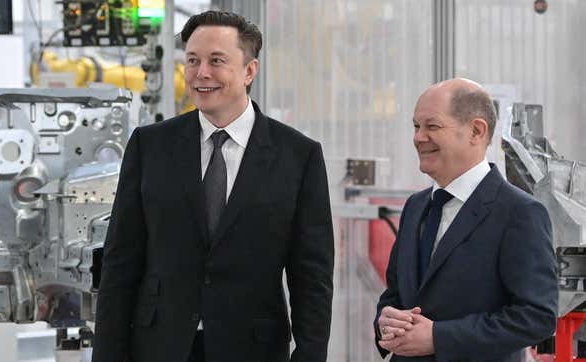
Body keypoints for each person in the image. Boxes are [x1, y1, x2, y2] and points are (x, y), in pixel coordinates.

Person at [92, 10, 334, 362]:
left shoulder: (298, 156)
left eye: (216, 61)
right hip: (159, 345)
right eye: (192, 60)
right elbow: (121, 260)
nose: (201, 73)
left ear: (250, 70)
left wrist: (310, 355)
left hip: (253, 348)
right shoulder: (150, 146)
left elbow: (312, 275)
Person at [375, 78, 558, 361]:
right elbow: (396, 294)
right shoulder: (416, 206)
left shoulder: (519, 213)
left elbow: (536, 317)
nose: (418, 137)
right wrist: (386, 321)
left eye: (432, 126)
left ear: (476, 131)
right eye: (416, 126)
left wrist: (438, 337)